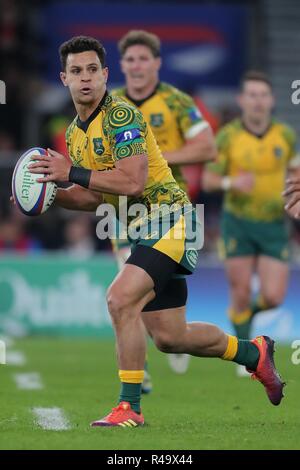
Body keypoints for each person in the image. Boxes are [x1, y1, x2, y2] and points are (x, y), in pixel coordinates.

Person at [27, 38, 284, 427]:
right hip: (139, 229)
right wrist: (49, 197)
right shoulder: (77, 134)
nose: (85, 78)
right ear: (63, 78)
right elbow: (96, 195)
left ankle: (130, 408)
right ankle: (254, 353)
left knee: (119, 299)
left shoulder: (120, 116)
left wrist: (69, 173)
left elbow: (131, 182)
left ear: (105, 75)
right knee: (170, 337)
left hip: (171, 220)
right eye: (76, 71)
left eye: (92, 70)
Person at [112, 30, 216, 378]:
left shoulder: (176, 101)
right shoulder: (109, 105)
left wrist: (154, 159)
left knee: (133, 300)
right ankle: (139, 374)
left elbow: (207, 147)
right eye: (130, 59)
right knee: (126, 297)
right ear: (122, 65)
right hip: (122, 212)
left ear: (156, 63)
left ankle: (139, 375)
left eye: (143, 59)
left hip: (168, 212)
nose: (137, 65)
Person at [202, 71, 299, 375]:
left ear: (271, 100)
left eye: (263, 95)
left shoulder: (284, 134)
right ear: (242, 100)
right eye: (252, 95)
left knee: (273, 296)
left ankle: (244, 326)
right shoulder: (228, 136)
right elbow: (207, 179)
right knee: (241, 291)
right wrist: (231, 182)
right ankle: (248, 356)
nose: (258, 101)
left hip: (273, 223)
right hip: (238, 223)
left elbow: (295, 171)